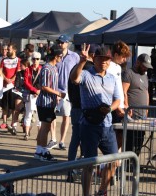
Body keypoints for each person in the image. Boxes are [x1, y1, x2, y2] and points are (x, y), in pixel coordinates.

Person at [70, 44, 120, 196]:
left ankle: (101, 191)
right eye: (100, 59)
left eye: (107, 59)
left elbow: (117, 99)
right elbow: (74, 79)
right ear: (94, 58)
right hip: (89, 125)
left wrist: (110, 108)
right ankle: (86, 194)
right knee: (89, 164)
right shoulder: (86, 74)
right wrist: (81, 62)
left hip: (107, 125)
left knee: (114, 161)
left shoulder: (112, 78)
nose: (104, 62)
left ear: (110, 61)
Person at [66, 44, 96, 182]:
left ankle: (71, 170)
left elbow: (70, 87)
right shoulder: (91, 69)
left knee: (76, 139)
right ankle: (83, 171)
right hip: (85, 109)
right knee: (86, 140)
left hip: (76, 107)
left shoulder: (75, 68)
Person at [48, 34, 80, 151]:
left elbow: (78, 71)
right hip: (55, 89)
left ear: (68, 43)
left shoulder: (74, 56)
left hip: (68, 91)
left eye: (62, 42)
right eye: (59, 42)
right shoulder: (55, 55)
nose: (60, 44)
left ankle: (62, 140)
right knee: (52, 116)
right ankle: (53, 138)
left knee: (66, 116)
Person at [34, 46, 65, 162]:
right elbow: (44, 87)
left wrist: (56, 96)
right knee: (45, 128)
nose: (61, 58)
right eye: (60, 56)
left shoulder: (53, 68)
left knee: (45, 127)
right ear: (56, 56)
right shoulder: (47, 68)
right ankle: (43, 152)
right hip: (45, 103)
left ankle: (39, 151)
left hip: (49, 102)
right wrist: (58, 93)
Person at [122, 53, 153, 156]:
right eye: (144, 66)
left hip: (143, 115)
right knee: (130, 142)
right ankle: (127, 165)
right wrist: (126, 107)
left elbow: (146, 92)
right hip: (132, 115)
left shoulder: (145, 76)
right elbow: (124, 91)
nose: (146, 69)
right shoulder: (129, 73)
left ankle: (134, 162)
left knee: (139, 141)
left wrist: (147, 109)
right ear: (138, 62)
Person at [0, 43, 20, 130]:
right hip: (5, 85)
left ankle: (13, 123)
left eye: (9, 49)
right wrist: (6, 79)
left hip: (13, 85)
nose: (7, 51)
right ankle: (4, 122)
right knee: (4, 105)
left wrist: (11, 80)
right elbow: (0, 71)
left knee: (13, 106)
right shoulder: (4, 60)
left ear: (14, 50)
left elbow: (18, 72)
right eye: (7, 49)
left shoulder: (18, 60)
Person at [23, 52, 42, 141]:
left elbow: (44, 82)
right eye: (34, 59)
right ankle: (26, 133)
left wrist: (39, 91)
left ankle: (39, 135)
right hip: (30, 94)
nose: (35, 61)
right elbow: (26, 82)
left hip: (39, 94)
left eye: (37, 59)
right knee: (28, 113)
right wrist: (34, 90)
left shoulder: (42, 69)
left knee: (39, 115)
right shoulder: (28, 69)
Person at [7, 59, 29, 136]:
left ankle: (26, 127)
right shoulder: (19, 74)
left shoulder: (29, 73)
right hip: (20, 93)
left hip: (29, 93)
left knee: (27, 112)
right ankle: (14, 127)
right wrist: (21, 89)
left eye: (21, 65)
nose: (20, 67)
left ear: (26, 66)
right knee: (17, 109)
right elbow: (17, 84)